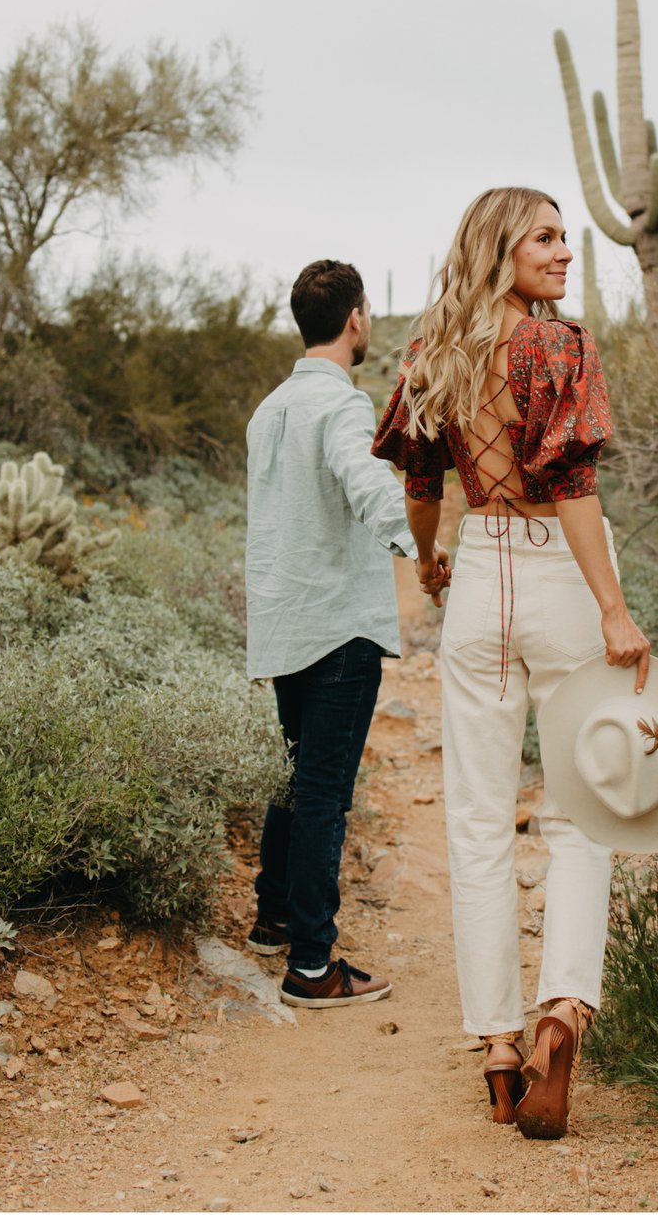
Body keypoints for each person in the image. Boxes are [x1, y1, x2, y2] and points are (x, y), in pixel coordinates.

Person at [372, 188, 650, 1136]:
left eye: (568, 237)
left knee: (479, 822)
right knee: (578, 814)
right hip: (558, 578)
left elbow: (417, 481)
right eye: (545, 238)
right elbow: (573, 486)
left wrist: (432, 559)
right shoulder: (556, 346)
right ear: (503, 248)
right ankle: (561, 1011)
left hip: (479, 569)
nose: (566, 252)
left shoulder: (432, 352)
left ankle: (495, 1045)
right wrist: (613, 608)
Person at [245, 258, 449, 1009]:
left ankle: (273, 918)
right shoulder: (342, 405)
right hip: (336, 627)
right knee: (324, 791)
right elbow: (363, 482)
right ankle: (309, 965)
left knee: (294, 779)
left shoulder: (269, 409)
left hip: (283, 618)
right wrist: (421, 548)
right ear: (357, 319)